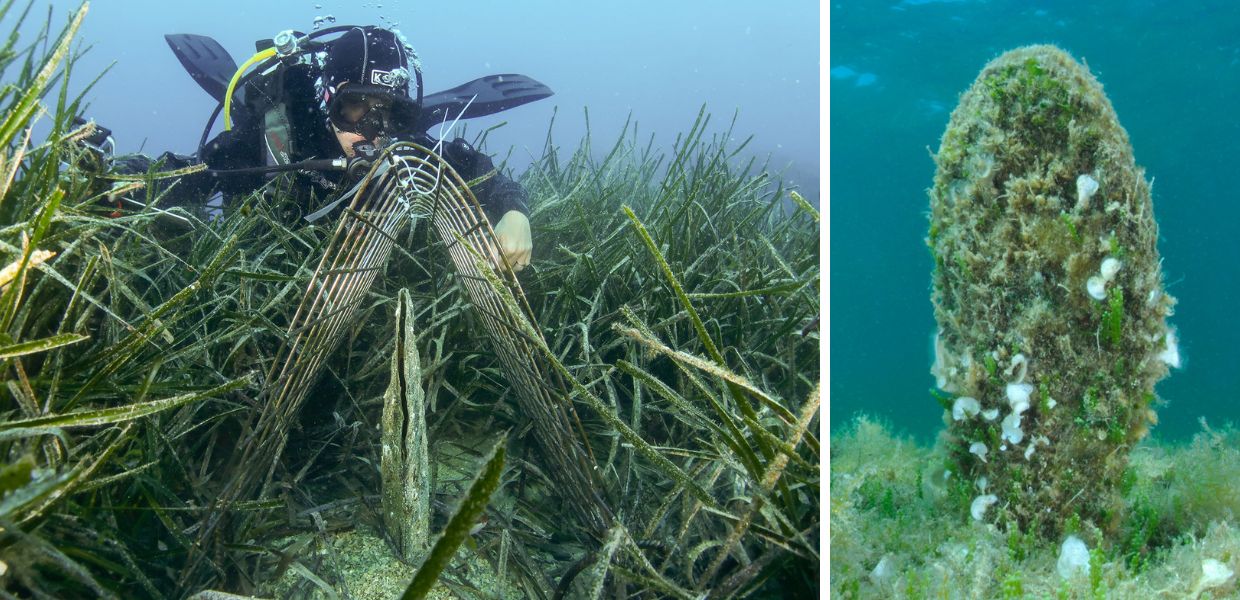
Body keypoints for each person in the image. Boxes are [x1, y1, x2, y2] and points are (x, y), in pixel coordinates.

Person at [94, 25, 536, 271]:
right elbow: (192, 174)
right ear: (328, 99)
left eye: (391, 115)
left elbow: (481, 172)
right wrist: (121, 182)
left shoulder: (403, 145)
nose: (373, 134)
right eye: (354, 109)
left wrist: (515, 212)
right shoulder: (275, 135)